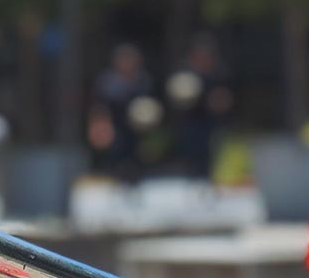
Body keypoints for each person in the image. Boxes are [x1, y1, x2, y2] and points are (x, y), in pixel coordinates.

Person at [166, 35, 233, 180]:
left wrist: (217, 102)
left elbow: (224, 100)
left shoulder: (218, 75)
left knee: (212, 155)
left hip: (212, 123)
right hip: (190, 122)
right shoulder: (184, 74)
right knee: (190, 155)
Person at [87, 43, 155, 183]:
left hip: (138, 128)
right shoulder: (106, 82)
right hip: (113, 127)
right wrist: (100, 127)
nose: (127, 64)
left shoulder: (143, 81)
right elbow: (99, 110)